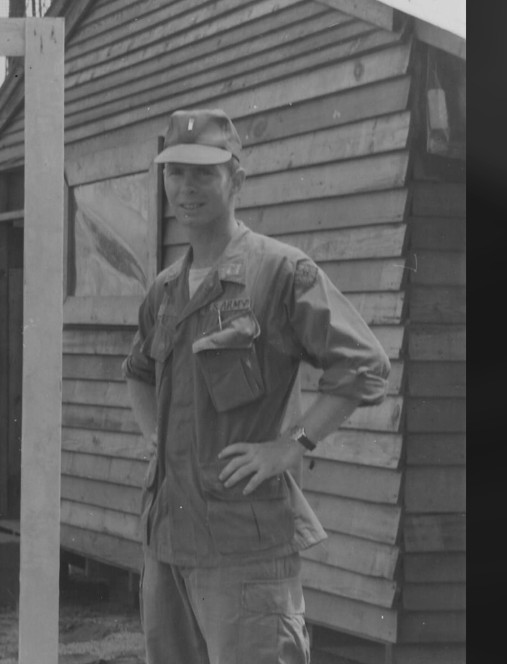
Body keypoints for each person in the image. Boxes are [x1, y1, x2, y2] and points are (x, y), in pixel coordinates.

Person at [123, 109, 391, 664]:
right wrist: (154, 441)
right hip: (167, 543)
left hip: (244, 550)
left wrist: (293, 445)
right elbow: (140, 374)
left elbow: (363, 367)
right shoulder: (165, 290)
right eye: (175, 173)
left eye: (204, 173)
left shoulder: (282, 272)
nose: (186, 188)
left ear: (237, 179)